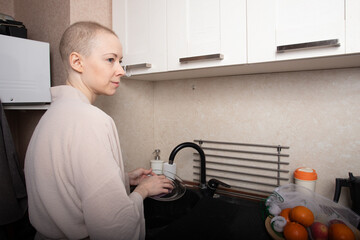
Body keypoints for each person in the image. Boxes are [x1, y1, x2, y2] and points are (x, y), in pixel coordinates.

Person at [24, 21, 173, 240]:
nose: (121, 70)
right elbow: (113, 227)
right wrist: (144, 190)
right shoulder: (91, 119)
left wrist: (124, 179)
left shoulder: (51, 115)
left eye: (120, 61)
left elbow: (66, 185)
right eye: (111, 59)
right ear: (77, 62)